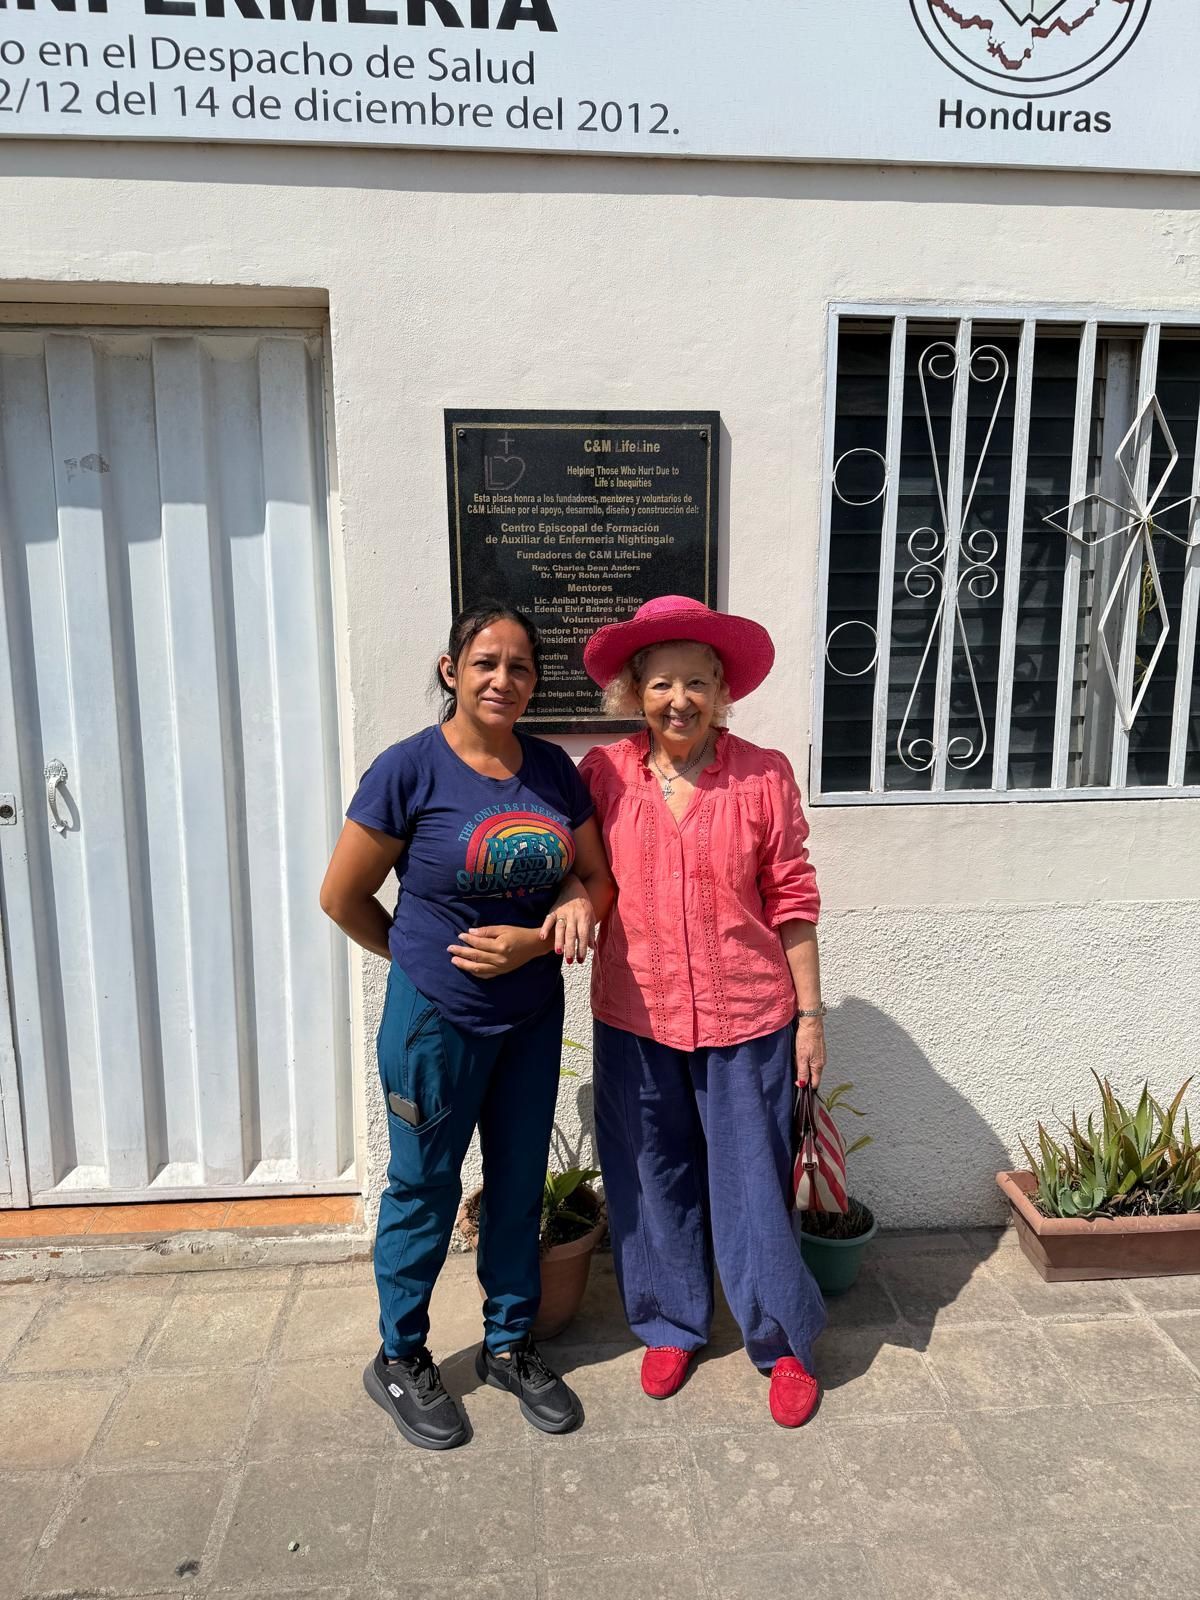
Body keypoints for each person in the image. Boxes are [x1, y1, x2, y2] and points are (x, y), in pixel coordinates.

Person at [320, 601, 613, 1450]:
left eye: (520, 667)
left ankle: (509, 1344)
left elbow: (592, 878)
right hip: (434, 1025)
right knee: (423, 1187)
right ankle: (400, 1357)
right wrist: (417, 960)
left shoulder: (555, 772)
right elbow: (342, 897)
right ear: (452, 669)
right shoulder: (407, 770)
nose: (503, 680)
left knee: (519, 1184)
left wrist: (551, 918)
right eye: (486, 662)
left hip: (528, 1016)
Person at [579, 595, 827, 1428]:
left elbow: (792, 898)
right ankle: (670, 1323)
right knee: (651, 1179)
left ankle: (784, 1343)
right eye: (659, 684)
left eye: (694, 682)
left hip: (748, 1017)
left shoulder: (762, 776)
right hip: (634, 1014)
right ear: (633, 693)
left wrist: (813, 1017)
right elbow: (582, 876)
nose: (676, 699)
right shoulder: (604, 776)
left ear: (720, 690)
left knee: (754, 1184)